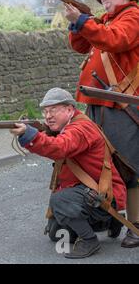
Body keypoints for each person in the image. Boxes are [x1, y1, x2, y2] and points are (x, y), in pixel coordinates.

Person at [64, 0, 139, 248]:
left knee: (129, 165)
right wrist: (77, 23)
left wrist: (84, 20)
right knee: (101, 164)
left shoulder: (132, 16)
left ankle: (137, 224)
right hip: (97, 102)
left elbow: (115, 40)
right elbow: (80, 45)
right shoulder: (107, 20)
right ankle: (113, 217)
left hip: (121, 104)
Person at [10, 87, 127, 259]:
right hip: (89, 191)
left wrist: (31, 135)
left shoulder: (80, 128)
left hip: (105, 194)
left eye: (53, 110)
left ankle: (90, 240)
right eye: (46, 111)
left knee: (60, 201)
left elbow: (60, 147)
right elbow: (57, 141)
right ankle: (108, 221)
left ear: (70, 110)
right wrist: (39, 132)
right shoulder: (69, 125)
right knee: (56, 233)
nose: (48, 116)